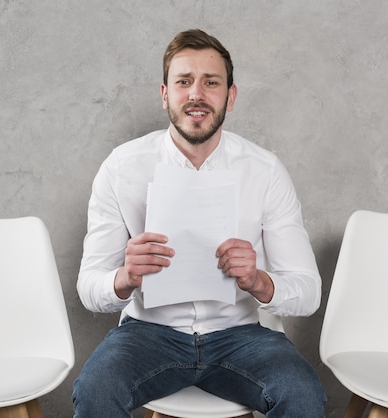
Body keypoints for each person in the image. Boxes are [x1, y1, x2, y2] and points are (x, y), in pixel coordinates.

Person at [72, 29, 326, 418]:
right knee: (95, 390)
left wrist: (260, 281)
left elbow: (307, 292)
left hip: (240, 335)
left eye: (211, 82)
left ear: (231, 95)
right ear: (164, 94)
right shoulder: (122, 167)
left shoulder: (265, 171)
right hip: (148, 334)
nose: (196, 94)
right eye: (184, 82)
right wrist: (125, 276)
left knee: (303, 394)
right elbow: (89, 287)